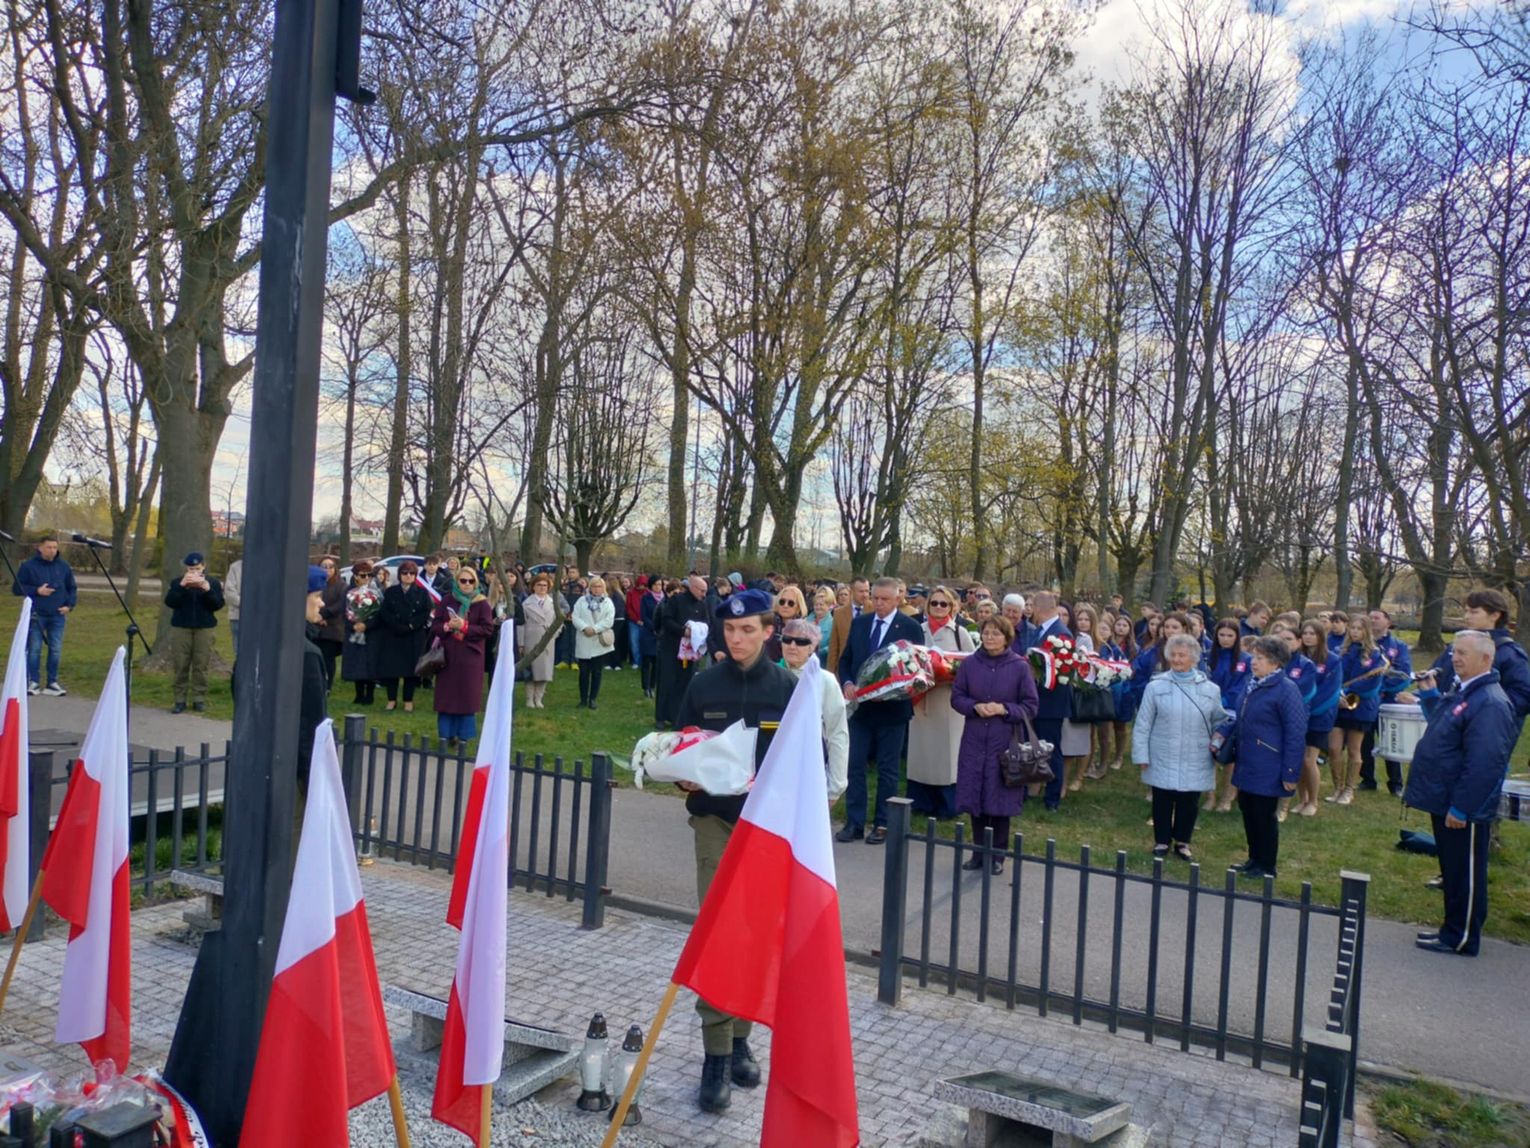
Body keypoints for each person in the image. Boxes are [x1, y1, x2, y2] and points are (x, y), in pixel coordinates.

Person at [670, 589, 797, 1113]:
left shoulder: (789, 688)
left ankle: (741, 1035)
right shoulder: (704, 685)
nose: (737, 639)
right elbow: (681, 745)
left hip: (765, 831)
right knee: (720, 932)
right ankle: (717, 1054)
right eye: (729, 630)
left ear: (769, 631)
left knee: (756, 936)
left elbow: (805, 759)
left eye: (748, 630)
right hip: (715, 823)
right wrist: (681, 775)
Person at [1402, 631, 1518, 957]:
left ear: (1486, 659)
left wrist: (1463, 807)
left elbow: (1485, 764)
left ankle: (1462, 937)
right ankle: (1452, 929)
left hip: (1461, 804)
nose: (1455, 658)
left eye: (1463, 653)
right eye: (1454, 652)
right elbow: (1444, 727)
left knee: (1464, 873)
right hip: (1445, 797)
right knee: (1453, 870)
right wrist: (1429, 695)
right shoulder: (1465, 690)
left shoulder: (1490, 702)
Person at [837, 577, 923, 843]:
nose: (879, 603)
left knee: (887, 769)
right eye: (875, 598)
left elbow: (916, 670)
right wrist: (848, 683)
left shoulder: (910, 627)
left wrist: (889, 692)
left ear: (898, 598)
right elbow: (846, 659)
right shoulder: (861, 623)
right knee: (855, 765)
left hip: (892, 711)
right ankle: (854, 822)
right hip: (861, 710)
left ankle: (883, 823)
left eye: (885, 599)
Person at [950, 615, 1039, 874]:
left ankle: (998, 855)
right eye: (986, 633)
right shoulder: (970, 664)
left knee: (1000, 798)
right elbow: (957, 697)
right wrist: (975, 707)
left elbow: (1030, 706)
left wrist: (1004, 709)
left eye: (996, 633)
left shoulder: (1019, 667)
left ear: (1007, 638)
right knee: (976, 795)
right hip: (975, 739)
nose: (990, 638)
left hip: (1005, 740)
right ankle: (978, 852)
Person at [1133, 634, 1225, 861]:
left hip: (1197, 753)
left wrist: (1217, 746)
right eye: (1173, 655)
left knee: (1189, 800)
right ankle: (1162, 841)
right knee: (1162, 799)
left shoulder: (1211, 689)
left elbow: (1219, 722)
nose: (1176, 659)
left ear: (1193, 658)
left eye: (1182, 655)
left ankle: (1183, 842)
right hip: (1162, 752)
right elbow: (1143, 723)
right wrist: (1141, 754)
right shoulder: (1155, 687)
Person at [1227, 636, 1305, 879]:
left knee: (1263, 814)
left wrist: (1290, 772)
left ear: (1275, 662)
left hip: (1269, 763)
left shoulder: (1286, 689)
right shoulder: (1252, 683)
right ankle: (1254, 859)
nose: (1253, 662)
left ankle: (1267, 865)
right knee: (1248, 809)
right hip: (1247, 761)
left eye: (1260, 658)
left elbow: (1295, 733)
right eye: (1253, 656)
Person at [906, 586, 976, 819]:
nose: (938, 607)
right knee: (921, 752)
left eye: (943, 604)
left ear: (951, 607)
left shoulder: (959, 633)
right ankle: (921, 802)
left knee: (947, 754)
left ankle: (947, 804)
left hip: (947, 700)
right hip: (920, 699)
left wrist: (950, 672)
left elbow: (971, 664)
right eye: (934, 603)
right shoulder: (918, 630)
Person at [1425, 589, 1530, 736]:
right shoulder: (1455, 648)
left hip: (1484, 733)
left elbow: (1523, 696)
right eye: (1466, 611)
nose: (1467, 616)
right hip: (1445, 727)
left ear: (1495, 615)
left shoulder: (1509, 653)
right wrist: (1420, 695)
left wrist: (1482, 711)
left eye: (1474, 612)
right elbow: (1439, 679)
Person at [778, 617, 849, 801]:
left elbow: (837, 733)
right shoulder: (771, 676)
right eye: (787, 640)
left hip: (809, 769)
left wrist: (836, 786)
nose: (792, 646)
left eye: (801, 642)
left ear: (812, 647)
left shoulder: (825, 680)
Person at [1015, 590, 1073, 812]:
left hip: (1051, 702)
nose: (1029, 610)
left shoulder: (1061, 634)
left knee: (1051, 750)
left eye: (1031, 606)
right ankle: (1026, 790)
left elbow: (1062, 670)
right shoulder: (1040, 630)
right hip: (1034, 699)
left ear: (1039, 608)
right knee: (1029, 746)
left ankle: (1052, 798)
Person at [431, 565, 494, 747]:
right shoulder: (447, 600)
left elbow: (487, 629)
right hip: (448, 656)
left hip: (470, 657)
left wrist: (465, 627)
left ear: (476, 582)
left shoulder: (482, 603)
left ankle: (464, 736)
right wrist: (447, 626)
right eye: (463, 580)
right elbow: (435, 625)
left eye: (471, 581)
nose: (467, 584)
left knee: (467, 697)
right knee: (446, 696)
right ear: (457, 581)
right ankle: (446, 735)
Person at [1329, 616, 1385, 806]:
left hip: (1361, 707)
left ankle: (1349, 789)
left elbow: (1372, 683)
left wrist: (1349, 693)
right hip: (1339, 705)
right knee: (1334, 748)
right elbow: (1333, 676)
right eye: (1352, 628)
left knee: (1354, 749)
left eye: (1359, 629)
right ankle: (1338, 787)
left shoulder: (1375, 654)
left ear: (1366, 631)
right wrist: (1338, 695)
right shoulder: (1340, 652)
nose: (1354, 632)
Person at [12, 535, 77, 696]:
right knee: (34, 649)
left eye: (55, 547)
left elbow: (72, 587)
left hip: (57, 614)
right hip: (36, 614)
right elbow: (17, 588)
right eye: (49, 547)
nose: (52, 550)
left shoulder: (63, 566)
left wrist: (69, 606)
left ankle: (52, 683)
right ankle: (33, 681)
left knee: (55, 649)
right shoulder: (28, 566)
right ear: (40, 548)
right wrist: (37, 590)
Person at [1360, 607, 1412, 795]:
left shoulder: (1398, 646)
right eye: (1370, 617)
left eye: (1377, 617)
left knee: (1391, 742)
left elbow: (1403, 674)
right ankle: (1367, 779)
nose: (1373, 620)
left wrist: (1379, 687)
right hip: (1366, 703)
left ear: (1388, 622)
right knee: (1365, 742)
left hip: (1388, 702)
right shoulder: (1362, 645)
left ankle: (1395, 784)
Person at [164, 552, 224, 713]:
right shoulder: (177, 582)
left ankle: (199, 698)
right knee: (181, 664)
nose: (194, 572)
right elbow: (170, 602)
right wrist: (182, 586)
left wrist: (207, 590)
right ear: (186, 568)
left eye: (197, 568)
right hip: (181, 627)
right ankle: (179, 699)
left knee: (201, 664)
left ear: (203, 567)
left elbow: (218, 605)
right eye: (191, 569)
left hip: (204, 627)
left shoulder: (212, 582)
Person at [1270, 622, 1317, 821]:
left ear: (1298, 642)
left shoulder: (1306, 665)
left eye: (1289, 639)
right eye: (1281, 639)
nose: (1285, 643)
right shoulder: (1272, 662)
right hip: (1271, 718)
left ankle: (1284, 805)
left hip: (1294, 719)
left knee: (1291, 760)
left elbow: (1300, 692)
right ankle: (1270, 799)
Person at [1296, 619, 1341, 816]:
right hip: (1298, 715)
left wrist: (1309, 709)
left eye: (1312, 634)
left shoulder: (1332, 660)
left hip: (1319, 716)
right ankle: (1302, 799)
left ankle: (1313, 801)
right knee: (1298, 759)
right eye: (1305, 633)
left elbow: (1330, 691)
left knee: (1309, 759)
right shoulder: (1298, 658)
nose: (1308, 637)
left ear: (1321, 636)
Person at [655, 575, 713, 728]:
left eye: (705, 591)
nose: (704, 594)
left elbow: (707, 623)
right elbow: (666, 620)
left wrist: (698, 632)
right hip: (671, 648)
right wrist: (683, 631)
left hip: (690, 652)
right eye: (701, 590)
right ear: (693, 588)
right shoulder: (676, 600)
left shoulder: (702, 605)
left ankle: (677, 716)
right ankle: (661, 716)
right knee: (667, 682)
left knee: (684, 684)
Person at [376, 561, 432, 712]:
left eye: (412, 573)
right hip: (393, 635)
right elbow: (384, 612)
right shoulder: (391, 591)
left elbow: (425, 611)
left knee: (410, 670)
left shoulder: (422, 593)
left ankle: (408, 700)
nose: (408, 576)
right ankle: (391, 700)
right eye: (405, 573)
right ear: (400, 575)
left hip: (413, 635)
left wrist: (411, 626)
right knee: (392, 669)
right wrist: (396, 626)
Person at [1062, 602, 1099, 789]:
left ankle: (1078, 777)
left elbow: (1084, 668)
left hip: (1077, 691)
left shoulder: (1084, 639)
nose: (1082, 622)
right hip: (1061, 689)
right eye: (1080, 618)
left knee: (1079, 737)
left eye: (1086, 619)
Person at [1099, 615, 1137, 773]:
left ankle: (1119, 756)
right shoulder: (1106, 645)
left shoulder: (1133, 648)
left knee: (1120, 725)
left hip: (1125, 690)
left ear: (1129, 629)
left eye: (1124, 625)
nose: (1121, 628)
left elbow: (1134, 669)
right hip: (1108, 689)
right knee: (1105, 726)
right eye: (1118, 624)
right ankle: (1104, 759)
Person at [571, 576, 616, 710]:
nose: (597, 589)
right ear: (590, 588)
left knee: (597, 672)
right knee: (583, 672)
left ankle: (592, 699)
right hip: (584, 638)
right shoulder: (581, 601)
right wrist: (585, 628)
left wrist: (595, 629)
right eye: (594, 586)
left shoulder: (608, 602)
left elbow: (609, 620)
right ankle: (583, 699)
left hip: (598, 641)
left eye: (599, 586)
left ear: (603, 588)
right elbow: (575, 617)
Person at [518, 572, 561, 708]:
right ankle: (529, 699)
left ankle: (539, 698)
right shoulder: (526, 604)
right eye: (539, 585)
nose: (542, 587)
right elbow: (521, 624)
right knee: (531, 670)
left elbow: (559, 621)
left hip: (548, 639)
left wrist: (554, 635)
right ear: (533, 586)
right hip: (531, 638)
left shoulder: (553, 603)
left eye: (545, 585)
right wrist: (521, 643)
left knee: (544, 671)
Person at [342, 561, 380, 706]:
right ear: (356, 576)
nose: (367, 578)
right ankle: (359, 694)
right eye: (363, 575)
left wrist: (366, 625)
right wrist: (354, 625)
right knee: (356, 662)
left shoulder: (376, 592)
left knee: (370, 663)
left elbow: (379, 613)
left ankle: (370, 695)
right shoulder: (348, 592)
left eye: (370, 575)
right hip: (354, 631)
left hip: (371, 633)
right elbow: (344, 612)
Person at [826, 575, 870, 676]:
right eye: (861, 591)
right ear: (852, 591)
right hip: (844, 670)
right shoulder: (839, 613)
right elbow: (834, 646)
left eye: (867, 591)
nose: (865, 595)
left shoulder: (875, 610)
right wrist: (830, 674)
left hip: (868, 671)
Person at [315, 557, 347, 690]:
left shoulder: (341, 585)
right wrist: (316, 616)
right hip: (315, 626)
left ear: (335, 569)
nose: (327, 569)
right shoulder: (315, 582)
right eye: (324, 566)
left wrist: (323, 615)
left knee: (328, 659)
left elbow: (340, 604)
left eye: (330, 566)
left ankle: (327, 686)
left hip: (332, 628)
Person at [638, 578, 664, 698]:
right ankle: (646, 687)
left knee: (657, 663)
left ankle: (653, 686)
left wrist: (660, 629)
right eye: (655, 585)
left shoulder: (664, 599)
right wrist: (654, 627)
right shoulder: (645, 598)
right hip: (648, 633)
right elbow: (643, 616)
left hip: (660, 635)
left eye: (660, 584)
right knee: (646, 662)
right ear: (651, 586)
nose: (658, 587)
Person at [625, 576, 650, 669]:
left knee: (644, 642)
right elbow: (629, 608)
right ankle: (637, 661)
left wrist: (645, 620)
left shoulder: (648, 593)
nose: (641, 587)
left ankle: (645, 661)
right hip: (634, 622)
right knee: (634, 642)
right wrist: (636, 620)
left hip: (645, 622)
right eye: (640, 585)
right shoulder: (631, 593)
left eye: (644, 585)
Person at [811, 586, 836, 666]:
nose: (818, 607)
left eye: (821, 605)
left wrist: (819, 652)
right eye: (816, 604)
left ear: (829, 606)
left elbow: (833, 645)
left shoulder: (833, 623)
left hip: (822, 663)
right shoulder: (806, 620)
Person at [224, 557, 244, 658]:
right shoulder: (235, 567)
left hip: (260, 617)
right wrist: (247, 604)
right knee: (239, 653)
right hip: (238, 616)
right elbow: (229, 592)